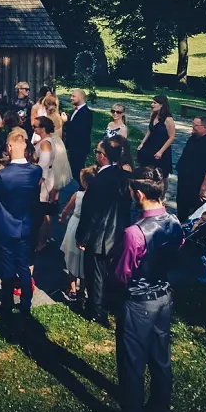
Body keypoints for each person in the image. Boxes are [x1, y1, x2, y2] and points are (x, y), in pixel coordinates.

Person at [112, 166, 184, 412]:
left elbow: (123, 273)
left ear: (139, 194)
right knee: (161, 360)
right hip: (164, 297)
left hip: (139, 302)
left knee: (132, 363)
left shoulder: (135, 232)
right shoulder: (174, 222)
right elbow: (177, 249)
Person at [0, 129, 43, 315]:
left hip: (6, 225)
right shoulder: (36, 171)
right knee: (24, 266)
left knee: (8, 266)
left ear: (9, 147)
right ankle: (26, 304)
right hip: (26, 225)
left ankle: (7, 303)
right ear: (25, 146)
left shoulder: (4, 175)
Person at [76, 137, 131, 327]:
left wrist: (82, 236)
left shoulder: (99, 180)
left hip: (100, 235)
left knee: (96, 276)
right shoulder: (124, 176)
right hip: (118, 233)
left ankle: (96, 310)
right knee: (109, 274)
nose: (96, 155)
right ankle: (107, 304)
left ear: (104, 157)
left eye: (98, 152)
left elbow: (90, 213)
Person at [58, 166, 95, 304]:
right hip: (88, 228)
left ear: (84, 182)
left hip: (75, 224)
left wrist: (62, 218)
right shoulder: (97, 198)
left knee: (72, 256)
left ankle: (72, 288)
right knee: (84, 259)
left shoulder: (78, 195)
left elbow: (67, 210)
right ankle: (83, 289)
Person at [174, 116, 206, 220]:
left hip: (197, 184)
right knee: (181, 207)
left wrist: (203, 188)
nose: (192, 127)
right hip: (184, 180)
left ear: (205, 127)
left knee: (194, 211)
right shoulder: (193, 138)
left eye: (195, 125)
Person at [136, 95, 175, 181]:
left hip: (161, 148)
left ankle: (162, 193)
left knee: (162, 175)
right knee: (146, 171)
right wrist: (142, 143)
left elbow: (172, 137)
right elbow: (150, 131)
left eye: (154, 103)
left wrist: (160, 152)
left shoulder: (168, 119)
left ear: (161, 105)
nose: (152, 104)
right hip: (150, 145)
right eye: (152, 102)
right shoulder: (153, 115)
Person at [64, 88, 94, 175]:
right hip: (73, 147)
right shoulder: (77, 110)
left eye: (73, 96)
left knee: (77, 171)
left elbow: (80, 130)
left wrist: (66, 122)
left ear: (80, 97)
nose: (71, 98)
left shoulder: (86, 113)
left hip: (79, 148)